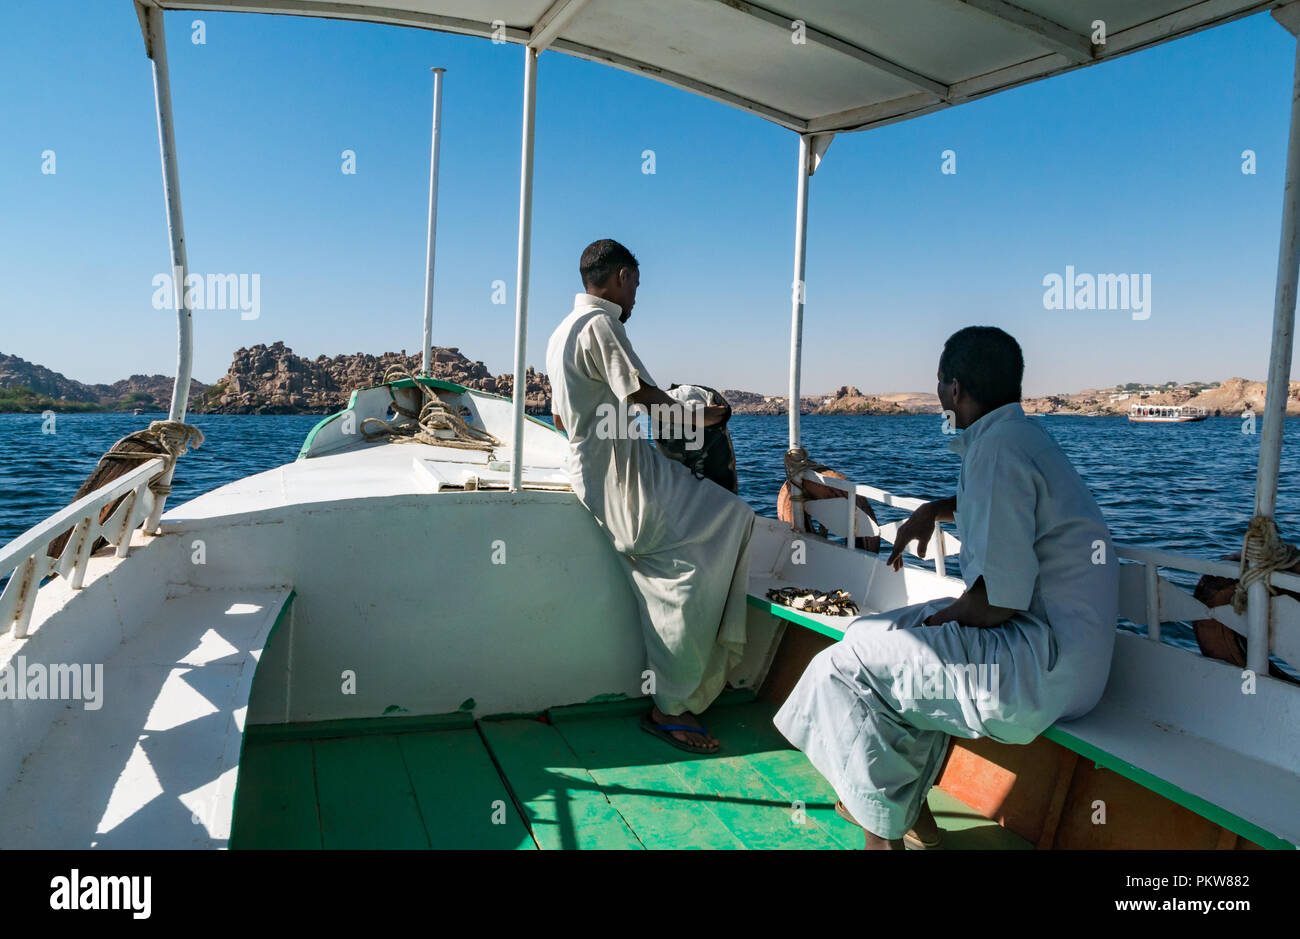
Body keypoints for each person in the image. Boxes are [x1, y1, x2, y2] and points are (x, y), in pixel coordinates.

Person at [773, 326, 1119, 849]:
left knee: (846, 670)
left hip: (1036, 666)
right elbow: (1008, 510)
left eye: (939, 383)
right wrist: (935, 509)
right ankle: (912, 812)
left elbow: (999, 603)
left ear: (955, 389)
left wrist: (943, 621)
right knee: (867, 634)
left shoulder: (998, 452)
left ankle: (880, 838)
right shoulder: (1020, 439)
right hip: (1068, 658)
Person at [545, 239, 755, 753]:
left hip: (594, 472)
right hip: (621, 476)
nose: (636, 297)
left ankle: (687, 687)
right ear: (618, 278)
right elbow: (642, 396)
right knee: (732, 520)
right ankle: (672, 707)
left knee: (696, 543)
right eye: (635, 284)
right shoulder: (601, 324)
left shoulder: (560, 332)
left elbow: (557, 416)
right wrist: (709, 417)